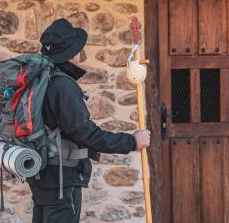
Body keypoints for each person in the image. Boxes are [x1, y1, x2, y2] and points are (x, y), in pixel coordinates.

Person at [27, 18, 151, 223]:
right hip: (61, 179)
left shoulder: (41, 79)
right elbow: (86, 133)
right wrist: (132, 141)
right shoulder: (62, 85)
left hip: (43, 174)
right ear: (71, 54)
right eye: (77, 49)